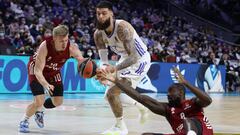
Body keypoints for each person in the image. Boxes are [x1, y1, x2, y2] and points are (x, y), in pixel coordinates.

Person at [97, 67, 213, 135]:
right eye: (168, 93)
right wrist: (116, 81)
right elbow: (140, 98)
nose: (168, 95)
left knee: (187, 120)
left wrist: (186, 83)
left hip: (202, 132)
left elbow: (208, 100)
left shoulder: (193, 103)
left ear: (181, 93)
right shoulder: (167, 109)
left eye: (171, 92)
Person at [94, 1, 151, 135]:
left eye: (104, 13)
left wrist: (114, 69)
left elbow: (134, 57)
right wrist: (103, 71)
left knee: (112, 94)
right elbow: (103, 60)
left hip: (140, 60)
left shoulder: (123, 28)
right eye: (98, 14)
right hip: (125, 59)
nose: (101, 16)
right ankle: (142, 106)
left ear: (111, 14)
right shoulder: (98, 34)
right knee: (108, 96)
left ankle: (120, 127)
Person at [18, 25, 84, 133]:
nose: (64, 44)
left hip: (53, 71)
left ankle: (39, 110)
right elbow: (38, 71)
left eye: (66, 40)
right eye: (61, 41)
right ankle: (24, 120)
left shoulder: (72, 48)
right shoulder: (44, 46)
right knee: (39, 100)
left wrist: (94, 72)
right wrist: (45, 84)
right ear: (54, 39)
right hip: (36, 69)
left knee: (58, 102)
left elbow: (82, 61)